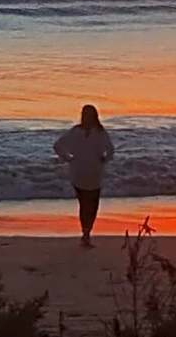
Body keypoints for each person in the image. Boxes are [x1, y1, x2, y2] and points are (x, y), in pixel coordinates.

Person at [53, 105, 115, 247]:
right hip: (87, 172)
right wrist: (104, 159)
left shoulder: (81, 131)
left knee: (86, 204)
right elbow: (111, 150)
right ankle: (86, 233)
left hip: (85, 172)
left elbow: (58, 146)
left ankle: (86, 233)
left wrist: (68, 158)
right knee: (90, 205)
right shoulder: (97, 132)